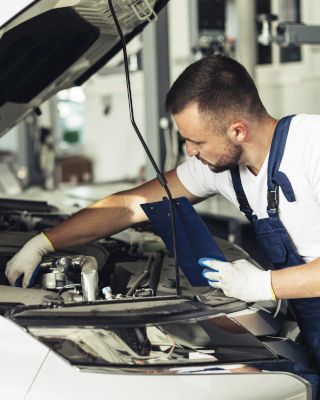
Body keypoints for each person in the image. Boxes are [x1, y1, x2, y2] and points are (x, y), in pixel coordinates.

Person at [5, 55, 320, 371]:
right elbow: (129, 205)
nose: (190, 152)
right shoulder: (219, 167)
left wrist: (265, 285)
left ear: (237, 131)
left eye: (196, 141)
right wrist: (44, 242)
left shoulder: (311, 147)